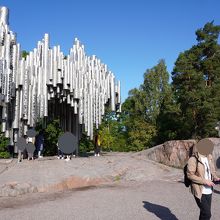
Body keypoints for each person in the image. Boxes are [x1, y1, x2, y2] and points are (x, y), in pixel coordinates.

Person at [187, 140, 220, 220]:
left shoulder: (209, 157)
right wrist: (205, 181)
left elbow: (212, 170)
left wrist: (215, 177)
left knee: (203, 213)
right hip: (199, 190)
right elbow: (190, 175)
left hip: (209, 190)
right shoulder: (193, 159)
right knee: (207, 214)